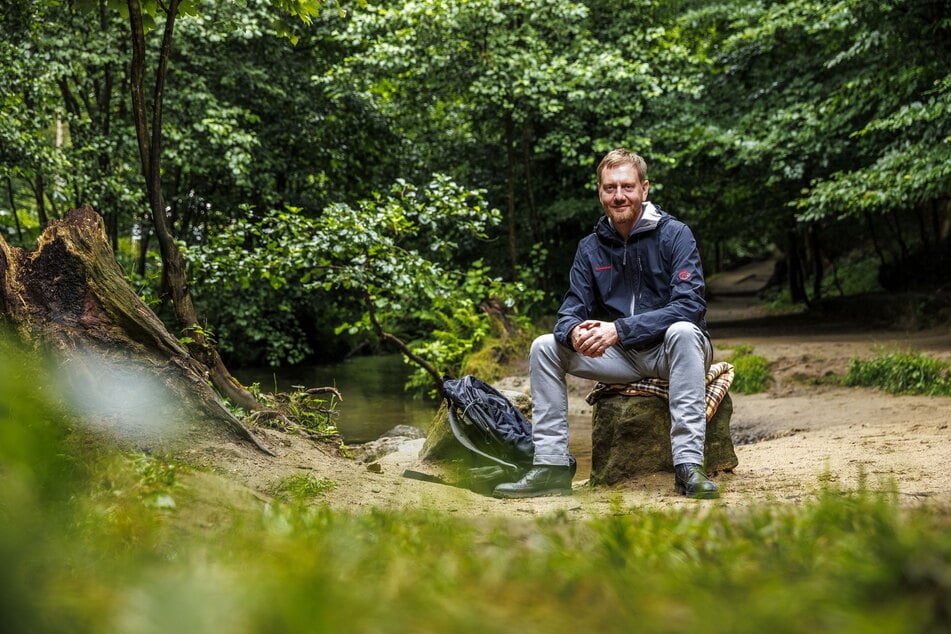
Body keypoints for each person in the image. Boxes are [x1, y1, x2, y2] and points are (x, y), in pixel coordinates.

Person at [493, 148, 719, 500]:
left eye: (626, 186)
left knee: (683, 330)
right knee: (544, 347)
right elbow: (570, 310)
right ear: (600, 192)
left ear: (644, 189)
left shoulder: (675, 235)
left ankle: (688, 467)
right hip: (623, 357)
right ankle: (551, 466)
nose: (618, 196)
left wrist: (620, 330)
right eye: (609, 188)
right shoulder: (590, 247)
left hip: (673, 351)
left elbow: (689, 306)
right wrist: (572, 332)